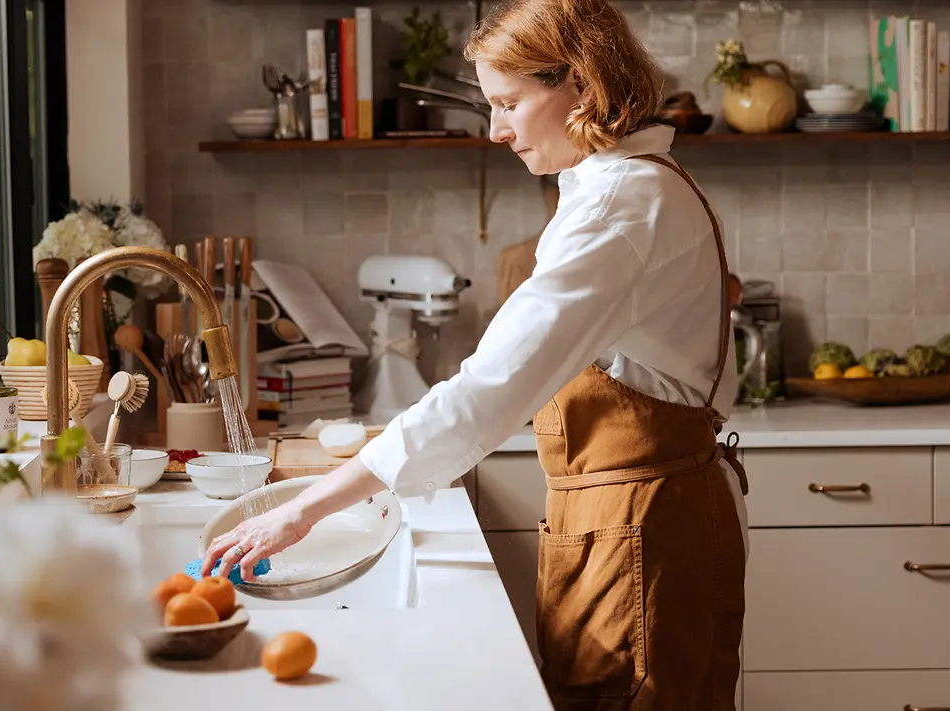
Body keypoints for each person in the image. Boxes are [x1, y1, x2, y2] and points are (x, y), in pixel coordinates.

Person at [202, 0, 750, 707]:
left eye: (509, 103)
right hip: (628, 523)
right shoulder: (626, 187)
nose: (495, 130)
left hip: (640, 534)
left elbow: (487, 390)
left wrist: (304, 510)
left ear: (579, 84)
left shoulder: (621, 204)